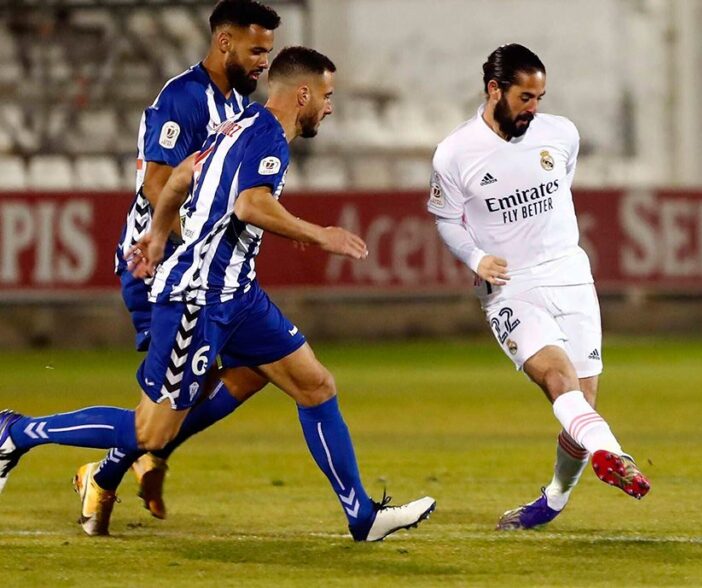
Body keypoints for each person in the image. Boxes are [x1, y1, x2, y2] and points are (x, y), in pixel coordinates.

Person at [0, 46, 435, 543]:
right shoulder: (270, 135)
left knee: (314, 385)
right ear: (303, 93)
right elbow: (251, 204)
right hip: (197, 299)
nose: (330, 107)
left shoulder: (239, 124)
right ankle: (15, 432)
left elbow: (182, 177)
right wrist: (320, 235)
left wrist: (160, 235)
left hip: (238, 296)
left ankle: (362, 516)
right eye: (328, 96)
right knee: (151, 433)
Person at [427, 44, 650, 531]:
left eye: (540, 97)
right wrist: (476, 256)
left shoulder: (561, 134)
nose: (534, 108)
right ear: (494, 90)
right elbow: (446, 220)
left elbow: (559, 188)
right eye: (525, 98)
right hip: (509, 284)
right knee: (556, 380)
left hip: (569, 273)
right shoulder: (455, 152)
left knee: (581, 405)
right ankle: (611, 453)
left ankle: (554, 498)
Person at [83, 0, 280, 537]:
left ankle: (122, 464)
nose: (265, 60)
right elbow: (156, 183)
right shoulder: (184, 97)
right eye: (256, 49)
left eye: (269, 51)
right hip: (160, 263)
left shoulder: (237, 103)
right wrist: (190, 241)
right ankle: (57, 447)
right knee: (166, 406)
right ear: (224, 42)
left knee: (241, 373)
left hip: (202, 271)